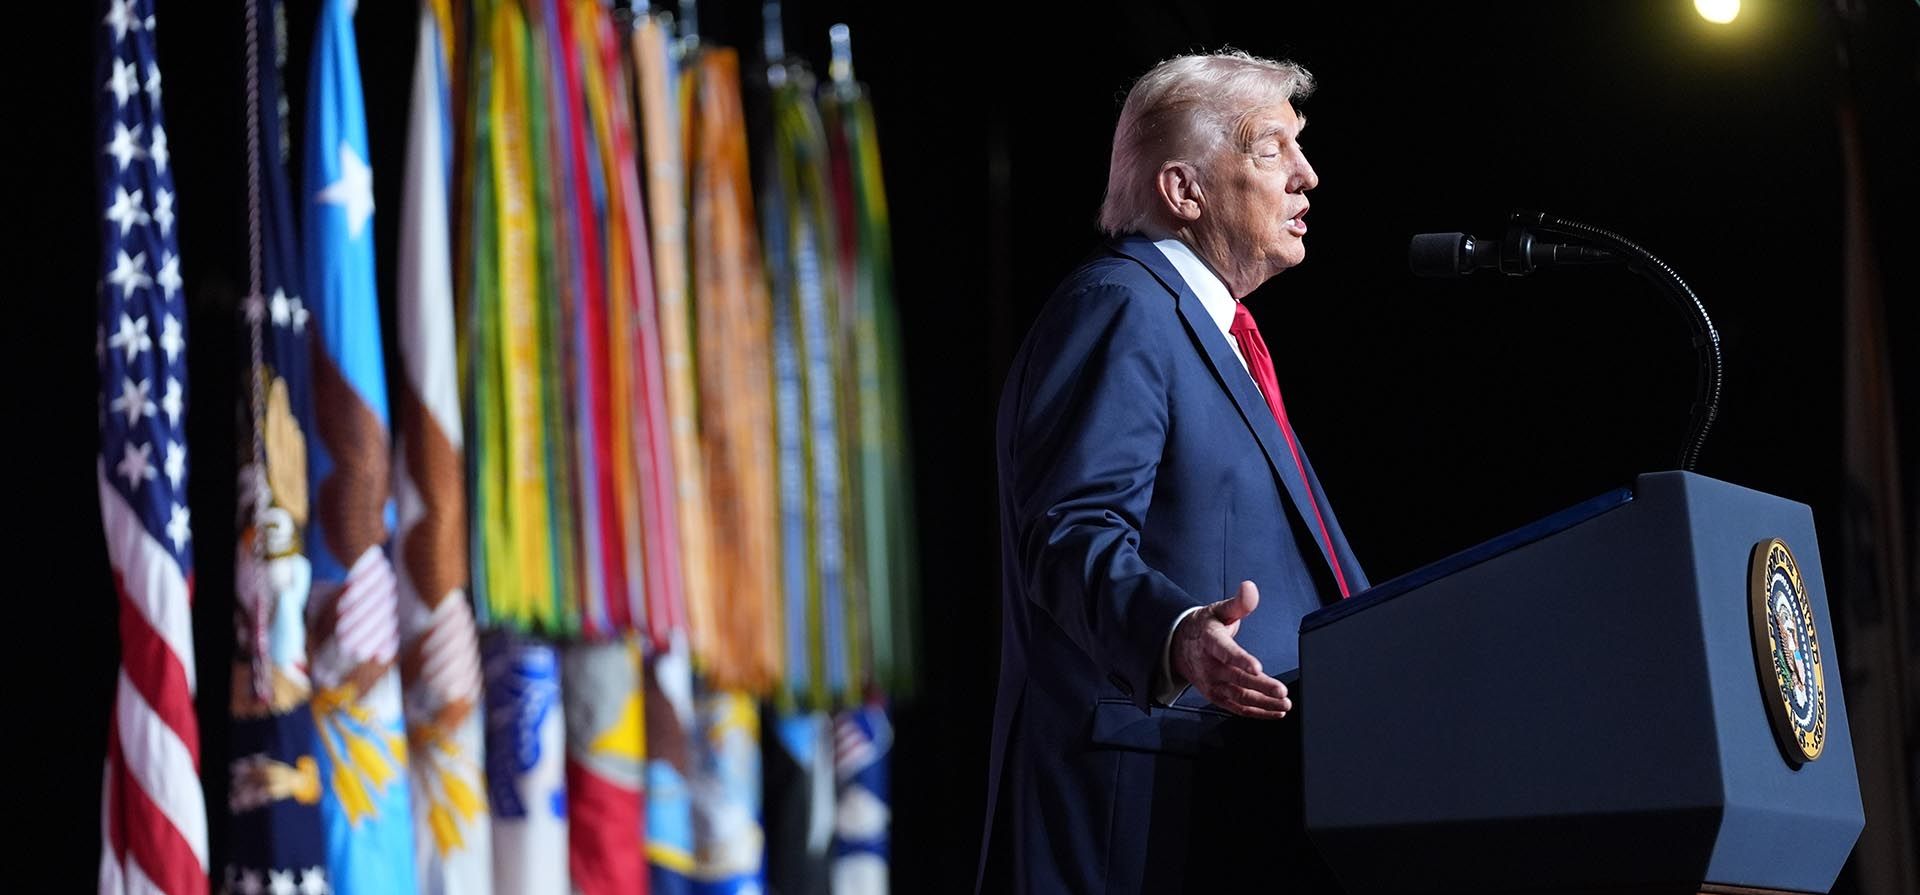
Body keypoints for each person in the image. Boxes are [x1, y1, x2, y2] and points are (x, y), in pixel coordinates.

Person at [980, 50, 1369, 892]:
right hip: (1147, 811)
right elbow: (1069, 530)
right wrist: (1176, 631)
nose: (1307, 176)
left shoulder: (1218, 340)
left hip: (1247, 803)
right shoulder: (1121, 303)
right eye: (1273, 149)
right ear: (1184, 191)